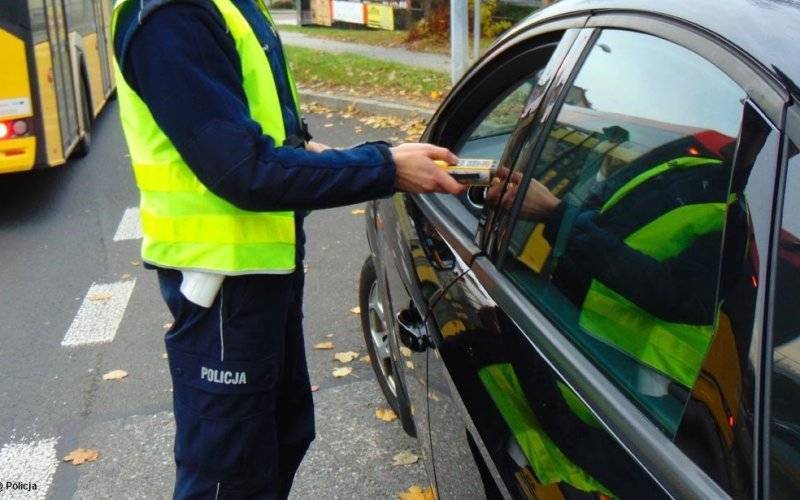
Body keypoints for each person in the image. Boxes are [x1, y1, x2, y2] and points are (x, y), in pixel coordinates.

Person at [110, 0, 465, 497]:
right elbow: (244, 170)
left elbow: (285, 143)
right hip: (221, 288)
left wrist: (385, 159)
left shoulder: (234, 7)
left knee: (282, 438)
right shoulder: (173, 17)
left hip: (264, 273)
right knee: (228, 476)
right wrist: (384, 168)